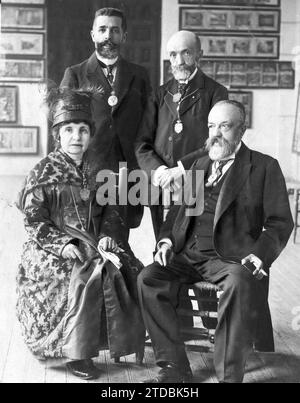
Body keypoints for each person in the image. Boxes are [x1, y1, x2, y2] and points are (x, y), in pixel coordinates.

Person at [137, 100, 294, 383]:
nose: (216, 133)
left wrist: (259, 256)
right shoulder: (199, 164)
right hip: (187, 254)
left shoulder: (263, 167)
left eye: (225, 126)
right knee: (148, 279)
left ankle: (227, 375)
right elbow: (176, 215)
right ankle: (175, 367)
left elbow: (280, 222)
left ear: (242, 130)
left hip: (230, 259)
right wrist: (166, 243)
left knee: (238, 283)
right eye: (212, 126)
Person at [16, 88, 145, 380]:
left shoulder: (98, 170)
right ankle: (78, 354)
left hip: (95, 240)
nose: (77, 137)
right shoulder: (43, 172)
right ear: (57, 135)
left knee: (125, 267)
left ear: (90, 134)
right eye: (70, 130)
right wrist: (62, 244)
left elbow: (113, 210)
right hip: (54, 245)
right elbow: (34, 221)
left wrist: (109, 234)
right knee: (81, 275)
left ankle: (120, 341)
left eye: (83, 130)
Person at [60, 7, 151, 234]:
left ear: (124, 36)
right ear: (93, 35)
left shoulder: (140, 75)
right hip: (88, 171)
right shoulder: (75, 74)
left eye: (114, 30)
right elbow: (61, 127)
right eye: (102, 30)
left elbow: (149, 124)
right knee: (86, 240)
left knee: (119, 243)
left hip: (126, 173)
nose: (108, 36)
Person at [135, 30, 228, 239]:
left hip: (199, 184)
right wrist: (158, 171)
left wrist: (181, 169)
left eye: (186, 53)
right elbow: (142, 143)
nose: (178, 61)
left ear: (199, 55)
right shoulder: (159, 94)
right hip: (161, 187)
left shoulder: (216, 93)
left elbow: (219, 142)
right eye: (173, 55)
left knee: (192, 250)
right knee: (162, 247)